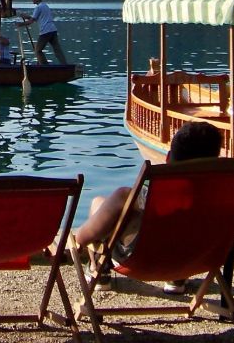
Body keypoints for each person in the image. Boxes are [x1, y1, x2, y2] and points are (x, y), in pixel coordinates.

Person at [74, 121, 222, 294]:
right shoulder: (223, 196)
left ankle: (99, 271)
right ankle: (176, 279)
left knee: (99, 202)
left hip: (141, 262)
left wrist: (78, 238)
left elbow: (83, 238)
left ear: (168, 158)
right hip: (195, 260)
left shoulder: (138, 197)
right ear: (215, 160)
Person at [17, 0, 67, 65]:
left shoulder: (38, 7)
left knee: (37, 50)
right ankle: (64, 65)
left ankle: (44, 66)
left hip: (45, 31)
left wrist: (20, 24)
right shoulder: (45, 5)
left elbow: (31, 21)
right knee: (57, 50)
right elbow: (35, 18)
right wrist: (26, 16)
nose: (31, 0)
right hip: (53, 30)